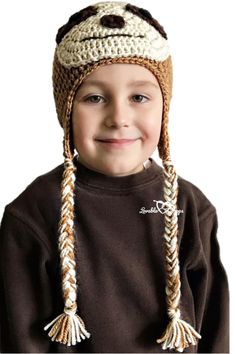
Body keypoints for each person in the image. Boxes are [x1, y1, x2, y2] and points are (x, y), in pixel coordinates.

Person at [0, 1, 229, 353]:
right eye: (94, 97)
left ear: (163, 106)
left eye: (139, 96)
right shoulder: (33, 213)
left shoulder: (190, 207)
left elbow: (213, 325)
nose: (118, 117)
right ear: (65, 109)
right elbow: (19, 337)